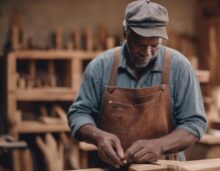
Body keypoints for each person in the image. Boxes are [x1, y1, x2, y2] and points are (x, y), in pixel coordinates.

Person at [68, 0, 207, 168]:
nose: (147, 52)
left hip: (164, 167)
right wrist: (98, 136)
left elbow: (195, 123)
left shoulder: (179, 67)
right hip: (113, 166)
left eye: (154, 45)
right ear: (125, 33)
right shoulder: (100, 67)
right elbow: (78, 114)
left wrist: (160, 145)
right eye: (139, 44)